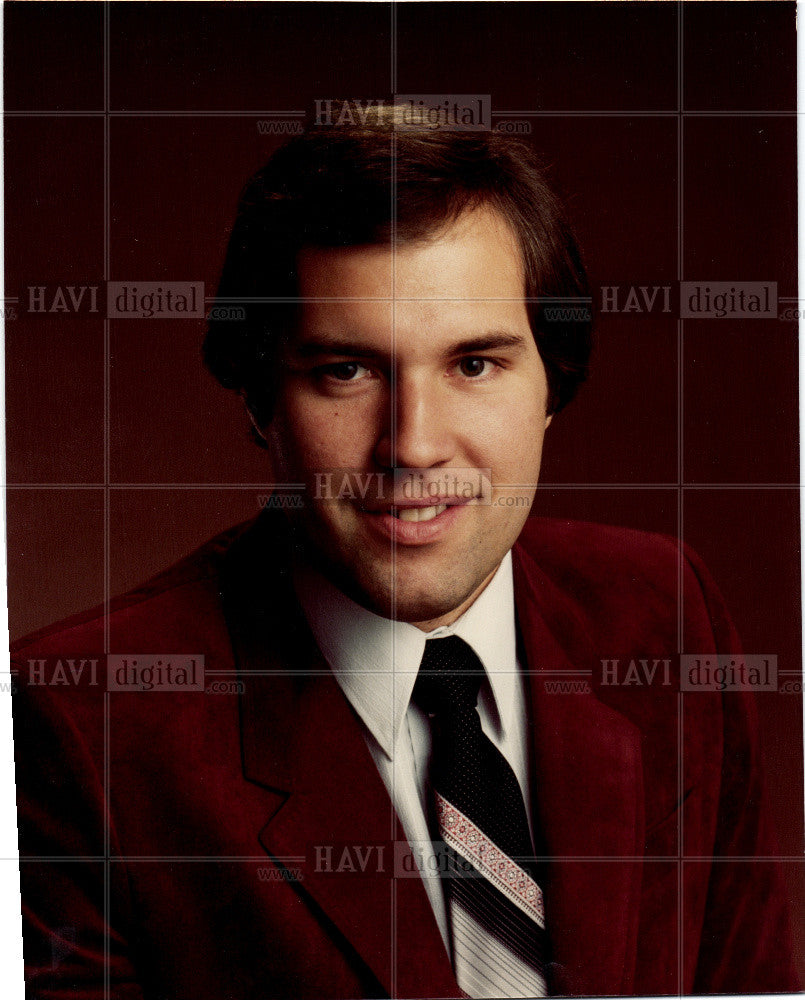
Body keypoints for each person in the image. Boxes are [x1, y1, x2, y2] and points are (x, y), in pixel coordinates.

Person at [12, 105, 797, 998]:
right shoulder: (83, 721)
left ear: (553, 382)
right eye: (346, 370)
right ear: (260, 400)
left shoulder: (663, 609)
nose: (414, 447)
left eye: (474, 364)